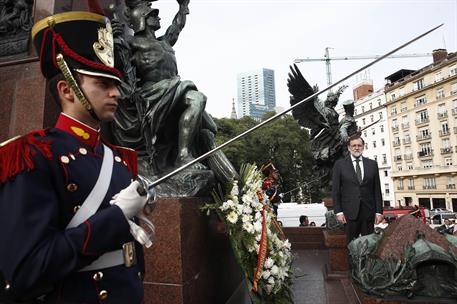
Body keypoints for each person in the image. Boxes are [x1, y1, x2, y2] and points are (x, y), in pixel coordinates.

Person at [0, 11, 152, 303]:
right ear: (67, 90)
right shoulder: (34, 155)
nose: (116, 93)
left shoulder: (118, 159)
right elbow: (27, 271)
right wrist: (118, 216)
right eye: (103, 85)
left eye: (116, 84)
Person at [332, 134, 383, 243]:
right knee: (351, 246)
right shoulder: (340, 165)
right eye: (354, 145)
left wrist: (379, 212)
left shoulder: (372, 164)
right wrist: (338, 212)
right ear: (349, 148)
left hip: (368, 213)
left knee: (369, 246)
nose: (356, 148)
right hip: (349, 214)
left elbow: (377, 190)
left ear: (363, 147)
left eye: (359, 145)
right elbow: (336, 191)